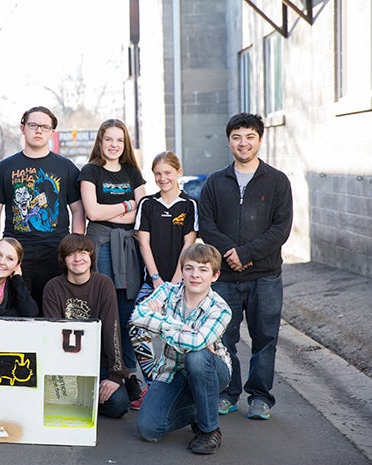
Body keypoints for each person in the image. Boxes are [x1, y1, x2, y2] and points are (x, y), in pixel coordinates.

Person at [198, 112, 293, 420]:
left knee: (265, 339)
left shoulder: (277, 181)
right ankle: (228, 393)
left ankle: (260, 396)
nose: (243, 143)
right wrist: (230, 253)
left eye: (250, 137)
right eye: (237, 137)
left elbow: (281, 228)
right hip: (224, 277)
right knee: (224, 339)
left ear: (259, 140)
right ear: (229, 141)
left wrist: (248, 253)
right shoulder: (215, 182)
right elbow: (207, 225)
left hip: (265, 276)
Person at [130, 243, 232, 455]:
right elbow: (137, 316)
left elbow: (196, 343)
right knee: (149, 430)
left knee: (196, 356)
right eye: (189, 268)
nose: (195, 275)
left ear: (214, 276)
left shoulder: (220, 309)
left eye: (203, 270)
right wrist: (181, 327)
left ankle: (209, 430)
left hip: (213, 370)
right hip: (171, 371)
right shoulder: (167, 290)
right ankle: (200, 409)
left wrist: (161, 322)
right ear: (183, 271)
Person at [0, 106, 85, 310]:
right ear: (23, 128)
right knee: (18, 310)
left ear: (52, 132)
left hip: (55, 250)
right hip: (17, 251)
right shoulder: (5, 168)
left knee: (53, 309)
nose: (38, 130)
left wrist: (75, 247)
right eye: (33, 125)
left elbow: (78, 210)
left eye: (44, 126)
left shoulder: (66, 167)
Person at [79, 119, 147, 404]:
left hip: (128, 249)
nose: (114, 145)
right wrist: (126, 205)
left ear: (125, 143)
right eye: (109, 139)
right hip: (102, 247)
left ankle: (130, 375)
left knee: (127, 312)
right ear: (100, 141)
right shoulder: (90, 171)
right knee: (104, 310)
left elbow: (143, 210)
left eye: (119, 140)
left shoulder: (133, 172)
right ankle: (102, 371)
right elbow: (92, 213)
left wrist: (121, 212)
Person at [129, 151, 198, 409]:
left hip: (182, 285)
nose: (163, 178)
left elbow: (188, 245)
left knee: (180, 336)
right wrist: (157, 279)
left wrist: (174, 282)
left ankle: (182, 391)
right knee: (136, 327)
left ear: (178, 172)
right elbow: (143, 242)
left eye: (168, 172)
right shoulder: (147, 204)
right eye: (158, 173)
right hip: (153, 283)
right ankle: (154, 385)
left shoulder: (189, 205)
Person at [42, 233, 129, 419]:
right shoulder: (53, 287)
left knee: (119, 404)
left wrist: (115, 376)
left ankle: (86, 398)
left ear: (91, 256)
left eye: (82, 252)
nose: (77, 258)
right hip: (66, 363)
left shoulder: (103, 284)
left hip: (98, 362)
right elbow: (53, 334)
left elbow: (111, 330)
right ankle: (82, 399)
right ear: (64, 260)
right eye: (71, 254)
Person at [0, 237, 39, 317]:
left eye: (10, 259)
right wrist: (14, 315)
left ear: (17, 266)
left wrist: (17, 280)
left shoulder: (14, 283)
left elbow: (31, 313)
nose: (1, 262)